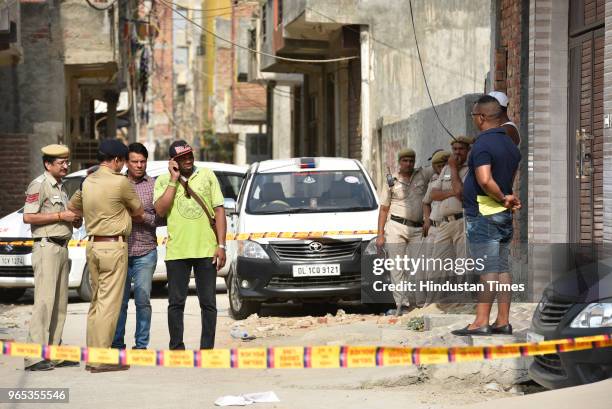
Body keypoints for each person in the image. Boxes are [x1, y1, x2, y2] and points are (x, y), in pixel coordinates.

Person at [69, 139, 144, 372]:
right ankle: (102, 359)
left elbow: (73, 207)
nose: (123, 166)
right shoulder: (120, 183)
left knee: (96, 303)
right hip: (113, 246)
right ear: (116, 160)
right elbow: (139, 211)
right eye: (122, 162)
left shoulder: (87, 180)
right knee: (109, 305)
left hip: (92, 246)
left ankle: (93, 356)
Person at [451, 95, 521, 336]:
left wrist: (502, 197)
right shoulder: (510, 144)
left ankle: (481, 321)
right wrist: (506, 200)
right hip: (502, 214)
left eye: (474, 116)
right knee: (502, 266)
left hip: (484, 213)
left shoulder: (482, 145)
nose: (474, 120)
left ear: (481, 117)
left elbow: (484, 179)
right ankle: (502, 321)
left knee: (487, 267)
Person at [153, 140, 226, 350]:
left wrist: (221, 245)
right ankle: (177, 348)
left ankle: (207, 349)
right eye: (182, 157)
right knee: (176, 303)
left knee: (208, 303)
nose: (187, 160)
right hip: (177, 252)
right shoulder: (163, 180)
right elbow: (160, 210)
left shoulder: (207, 175)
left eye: (190, 155)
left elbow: (219, 210)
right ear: (173, 161)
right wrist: (174, 180)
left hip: (206, 250)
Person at [23, 145, 82, 371]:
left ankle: (54, 352)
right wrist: (60, 215)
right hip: (46, 247)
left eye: (67, 161)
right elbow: (28, 216)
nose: (66, 165)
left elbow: (63, 217)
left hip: (62, 246)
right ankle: (33, 357)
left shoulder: (62, 187)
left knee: (60, 304)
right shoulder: (39, 184)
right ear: (48, 164)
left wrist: (73, 220)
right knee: (44, 304)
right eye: (61, 162)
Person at [112, 143, 158, 351]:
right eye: (134, 161)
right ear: (126, 163)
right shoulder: (116, 183)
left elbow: (161, 218)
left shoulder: (154, 185)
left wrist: (141, 217)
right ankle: (117, 343)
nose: (139, 165)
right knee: (118, 302)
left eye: (142, 161)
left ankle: (141, 345)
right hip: (119, 250)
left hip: (145, 251)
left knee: (143, 300)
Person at [377, 148, 434, 315]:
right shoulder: (391, 181)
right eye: (405, 161)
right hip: (396, 227)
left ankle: (420, 304)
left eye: (411, 160)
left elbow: (440, 164)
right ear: (399, 162)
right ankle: (402, 306)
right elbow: (383, 209)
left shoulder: (423, 174)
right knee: (397, 268)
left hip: (418, 229)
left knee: (418, 267)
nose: (408, 164)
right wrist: (380, 234)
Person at [429, 136, 473, 302]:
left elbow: (461, 194)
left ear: (468, 151)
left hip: (462, 221)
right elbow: (434, 194)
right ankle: (433, 302)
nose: (457, 153)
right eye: (454, 149)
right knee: (437, 264)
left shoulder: (470, 169)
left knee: (463, 264)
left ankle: (465, 300)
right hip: (445, 223)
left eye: (461, 149)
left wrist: (454, 170)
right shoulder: (446, 169)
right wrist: (452, 191)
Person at [422, 150, 450, 304]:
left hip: (445, 227)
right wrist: (426, 220)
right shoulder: (433, 181)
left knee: (442, 266)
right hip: (433, 227)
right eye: (437, 166)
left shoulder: (452, 179)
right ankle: (429, 299)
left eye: (442, 165)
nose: (440, 169)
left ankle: (440, 299)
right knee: (429, 265)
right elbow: (425, 202)